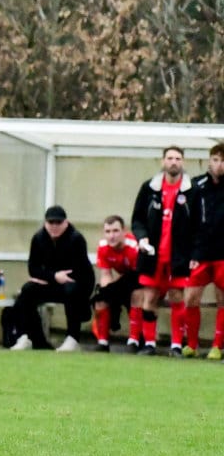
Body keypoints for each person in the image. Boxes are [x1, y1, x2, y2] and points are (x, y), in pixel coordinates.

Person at [130, 145, 198, 357]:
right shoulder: (149, 187)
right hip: (152, 254)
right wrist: (142, 237)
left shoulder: (192, 190)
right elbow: (137, 219)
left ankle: (176, 345)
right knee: (149, 297)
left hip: (179, 256)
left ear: (183, 162)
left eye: (177, 158)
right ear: (163, 161)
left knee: (177, 297)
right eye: (170, 158)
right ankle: (149, 343)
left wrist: (195, 254)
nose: (173, 162)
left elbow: (198, 225)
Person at [10, 206, 95, 352]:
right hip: (52, 283)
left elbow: (79, 271)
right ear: (45, 223)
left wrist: (49, 276)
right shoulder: (38, 238)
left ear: (66, 223)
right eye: (51, 223)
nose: (54, 226)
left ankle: (73, 338)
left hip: (77, 284)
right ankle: (27, 337)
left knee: (71, 289)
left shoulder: (76, 239)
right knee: (27, 290)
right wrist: (53, 276)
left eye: (58, 222)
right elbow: (33, 268)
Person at [183, 143, 224, 359]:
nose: (219, 165)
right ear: (209, 161)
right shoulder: (196, 185)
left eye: (223, 161)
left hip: (222, 254)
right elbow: (187, 220)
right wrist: (191, 252)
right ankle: (192, 344)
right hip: (200, 253)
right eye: (216, 160)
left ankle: (217, 345)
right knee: (190, 297)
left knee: (222, 298)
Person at [91, 215, 143, 352]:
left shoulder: (134, 247)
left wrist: (115, 289)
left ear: (124, 231)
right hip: (124, 281)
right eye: (108, 232)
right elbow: (106, 275)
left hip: (141, 280)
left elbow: (138, 277)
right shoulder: (103, 247)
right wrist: (107, 294)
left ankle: (134, 341)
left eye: (115, 231)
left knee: (135, 295)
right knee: (100, 297)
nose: (111, 236)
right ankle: (103, 342)